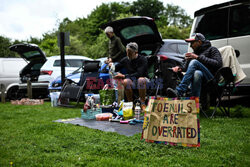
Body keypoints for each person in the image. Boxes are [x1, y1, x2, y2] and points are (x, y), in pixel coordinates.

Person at [167, 33, 222, 98]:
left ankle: (180, 91)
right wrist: (179, 68)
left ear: (199, 42)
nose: (190, 46)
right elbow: (186, 68)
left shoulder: (212, 49)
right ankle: (195, 102)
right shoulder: (194, 54)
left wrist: (197, 57)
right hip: (199, 78)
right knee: (197, 73)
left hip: (211, 79)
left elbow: (218, 64)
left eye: (192, 43)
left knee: (194, 62)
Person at [110, 42, 148, 110]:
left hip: (143, 79)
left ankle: (142, 103)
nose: (128, 55)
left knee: (140, 80)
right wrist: (112, 66)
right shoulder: (126, 59)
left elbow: (139, 74)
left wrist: (124, 76)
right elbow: (116, 67)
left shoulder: (143, 59)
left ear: (136, 52)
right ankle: (131, 104)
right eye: (127, 52)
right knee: (125, 82)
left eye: (130, 53)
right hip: (131, 79)